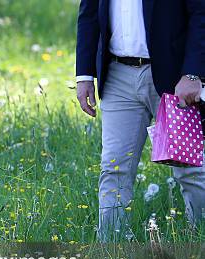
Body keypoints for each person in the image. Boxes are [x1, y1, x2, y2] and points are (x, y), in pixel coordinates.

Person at [76, 0, 205, 241]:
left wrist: (193, 73)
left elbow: (201, 13)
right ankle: (111, 250)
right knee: (114, 168)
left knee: (190, 170)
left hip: (174, 78)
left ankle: (198, 238)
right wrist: (84, 75)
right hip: (116, 74)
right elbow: (90, 12)